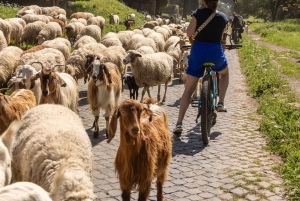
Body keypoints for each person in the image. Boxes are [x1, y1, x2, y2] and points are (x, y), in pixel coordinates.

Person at [173, 0, 229, 134]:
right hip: (215, 52)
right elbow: (222, 39)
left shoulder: (197, 13)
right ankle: (221, 102)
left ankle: (179, 123)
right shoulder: (223, 17)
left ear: (204, 1)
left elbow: (189, 33)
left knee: (188, 91)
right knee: (224, 73)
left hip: (198, 53)